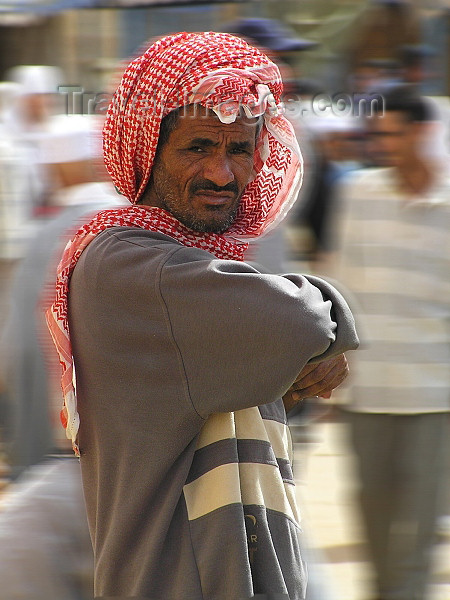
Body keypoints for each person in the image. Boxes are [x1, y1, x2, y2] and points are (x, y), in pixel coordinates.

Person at [46, 32, 359, 600]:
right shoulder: (132, 266)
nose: (221, 173)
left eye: (240, 149)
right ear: (148, 151)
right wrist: (329, 321)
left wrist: (314, 340)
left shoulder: (207, 276)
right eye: (197, 147)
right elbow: (300, 324)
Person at [334, 85, 450, 600]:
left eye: (392, 133)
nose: (381, 144)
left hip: (433, 398)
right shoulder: (358, 193)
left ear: (423, 133)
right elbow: (339, 287)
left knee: (417, 535)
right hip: (368, 396)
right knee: (374, 529)